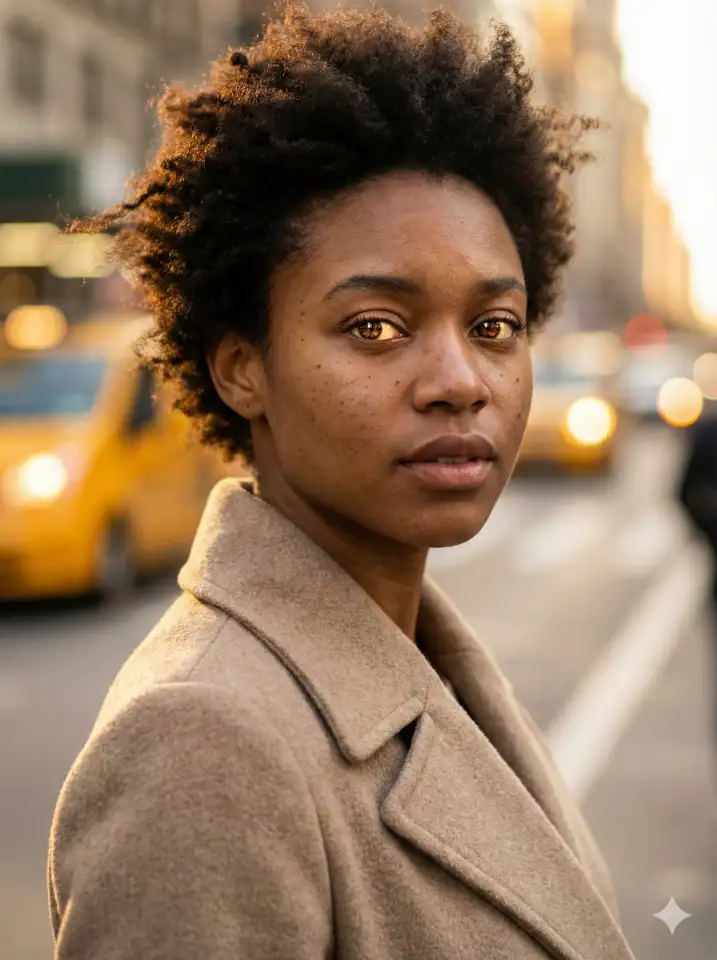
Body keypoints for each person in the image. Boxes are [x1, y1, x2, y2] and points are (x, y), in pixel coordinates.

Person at [47, 5, 636, 958]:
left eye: (493, 326)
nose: (460, 382)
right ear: (241, 367)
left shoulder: (429, 655)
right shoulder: (201, 740)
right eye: (375, 328)